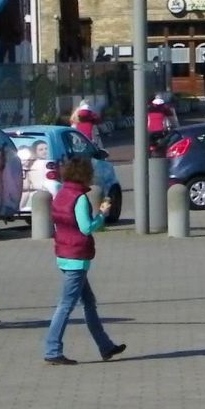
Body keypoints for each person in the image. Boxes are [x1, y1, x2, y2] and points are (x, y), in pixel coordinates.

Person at [43, 156, 127, 365]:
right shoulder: (79, 198)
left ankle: (105, 346)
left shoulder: (62, 193)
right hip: (76, 257)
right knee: (66, 305)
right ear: (84, 174)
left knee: (88, 302)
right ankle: (52, 349)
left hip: (64, 253)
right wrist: (101, 215)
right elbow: (86, 227)